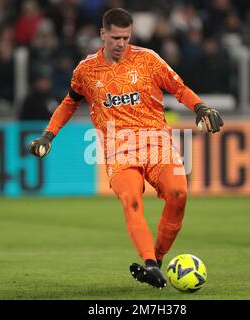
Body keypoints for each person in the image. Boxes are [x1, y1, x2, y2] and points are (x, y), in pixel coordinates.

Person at [28, 8, 223, 289]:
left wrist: (201, 107)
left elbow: (178, 88)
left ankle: (155, 260)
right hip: (118, 148)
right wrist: (48, 136)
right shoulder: (86, 70)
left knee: (179, 194)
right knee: (131, 200)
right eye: (116, 37)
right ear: (103, 34)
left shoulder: (148, 60)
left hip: (156, 142)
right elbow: (70, 103)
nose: (121, 44)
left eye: (126, 38)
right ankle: (150, 264)